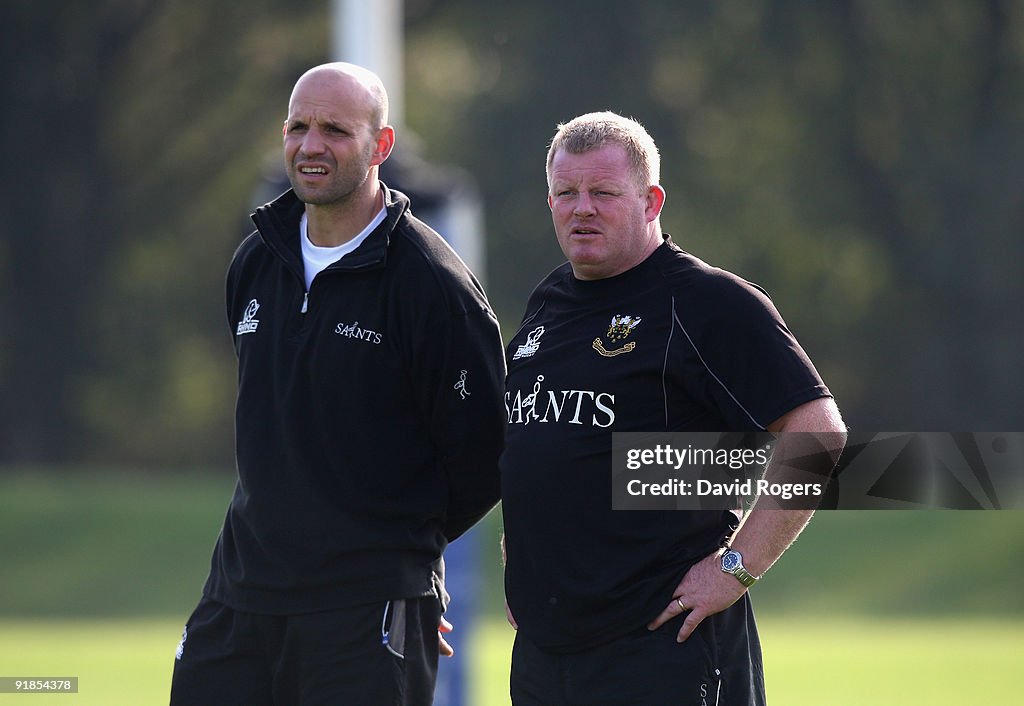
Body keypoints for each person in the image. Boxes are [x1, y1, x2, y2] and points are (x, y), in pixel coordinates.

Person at [170, 62, 506, 706]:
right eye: (298, 127)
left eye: (335, 129)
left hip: (364, 608)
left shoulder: (432, 284)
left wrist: (402, 568)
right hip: (240, 596)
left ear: (380, 146)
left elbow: (484, 456)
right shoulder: (255, 257)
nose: (311, 145)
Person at [500, 111, 846, 705]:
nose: (581, 207)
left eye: (603, 192)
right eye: (565, 193)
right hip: (545, 655)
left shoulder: (706, 301)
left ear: (651, 201)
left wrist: (735, 568)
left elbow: (818, 433)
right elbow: (540, 447)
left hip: (660, 650)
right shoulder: (549, 300)